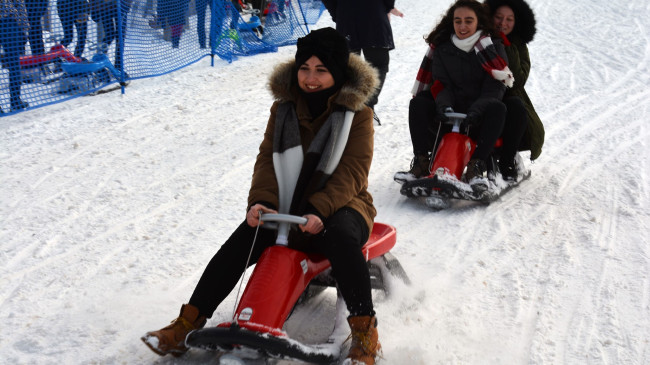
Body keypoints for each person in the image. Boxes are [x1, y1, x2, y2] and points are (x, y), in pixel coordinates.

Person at [141, 27, 383, 365]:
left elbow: (353, 172)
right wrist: (261, 202)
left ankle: (364, 333)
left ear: (338, 73)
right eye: (304, 68)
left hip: (343, 203)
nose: (310, 79)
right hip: (289, 199)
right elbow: (269, 159)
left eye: (321, 70)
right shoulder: (283, 109)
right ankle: (186, 324)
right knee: (243, 238)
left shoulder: (359, 115)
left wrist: (319, 209)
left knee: (341, 238)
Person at [395, 0, 512, 190]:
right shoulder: (442, 48)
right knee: (419, 103)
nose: (462, 26)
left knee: (499, 108)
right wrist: (444, 107)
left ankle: (476, 165)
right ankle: (421, 161)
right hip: (449, 113)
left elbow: (495, 87)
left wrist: (476, 110)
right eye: (458, 21)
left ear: (479, 22)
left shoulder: (492, 47)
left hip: (480, 115)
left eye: (468, 21)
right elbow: (441, 84)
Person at [321, 0, 403, 121]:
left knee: (351, 66)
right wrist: (387, 7)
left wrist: (337, 13)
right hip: (374, 12)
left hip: (346, 14)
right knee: (376, 65)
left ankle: (352, 109)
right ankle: (365, 108)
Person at [487, 0, 544, 170]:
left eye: (509, 19)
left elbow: (518, 80)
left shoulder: (518, 45)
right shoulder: (480, 37)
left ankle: (507, 161)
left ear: (516, 21)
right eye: (498, 17)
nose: (503, 23)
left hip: (507, 96)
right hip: (480, 93)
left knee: (515, 108)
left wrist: (506, 46)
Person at [1, 0, 30, 112]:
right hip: (7, 22)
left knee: (14, 64)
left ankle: (15, 101)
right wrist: (24, 28)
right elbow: (20, 5)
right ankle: (15, 101)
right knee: (14, 63)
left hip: (8, 21)